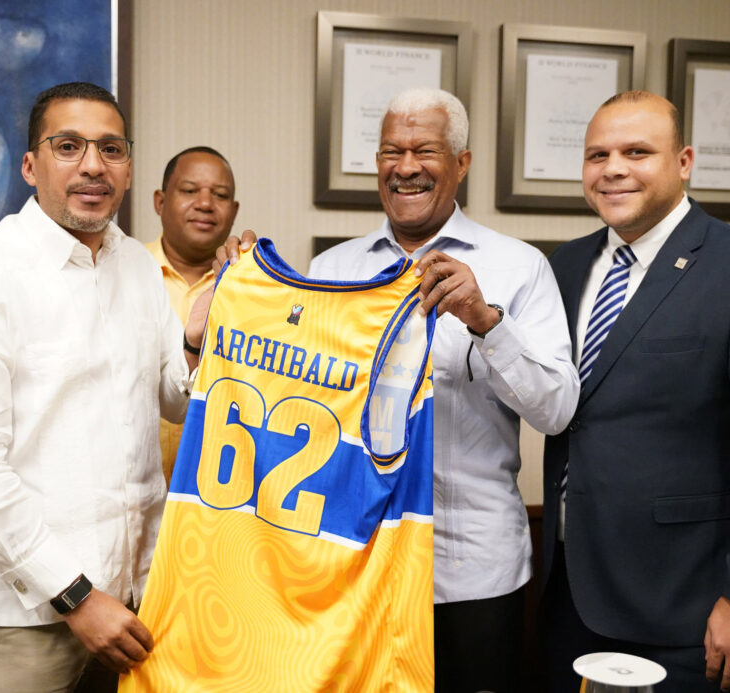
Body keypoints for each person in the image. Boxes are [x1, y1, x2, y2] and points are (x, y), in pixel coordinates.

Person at [220, 87, 580, 693]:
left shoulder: (519, 267)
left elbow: (557, 409)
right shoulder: (331, 270)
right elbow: (288, 398)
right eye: (392, 151)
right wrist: (245, 292)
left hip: (470, 572)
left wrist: (486, 321)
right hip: (350, 562)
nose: (405, 166)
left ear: (462, 163)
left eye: (425, 151)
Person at [0, 82, 210, 693]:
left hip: (132, 602)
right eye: (68, 146)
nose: (93, 165)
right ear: (30, 166)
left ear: (128, 169)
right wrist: (77, 598)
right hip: (21, 622)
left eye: (111, 149)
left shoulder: (136, 267)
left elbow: (172, 399)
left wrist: (196, 341)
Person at [541, 90, 730, 692]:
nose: (613, 169)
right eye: (597, 155)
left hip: (690, 604)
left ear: (685, 161)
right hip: (568, 588)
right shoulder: (563, 267)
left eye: (637, 152)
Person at [146, 146, 239, 482]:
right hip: (134, 498)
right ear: (160, 201)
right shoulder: (125, 274)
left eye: (220, 195)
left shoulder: (253, 290)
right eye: (189, 190)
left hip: (213, 496)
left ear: (234, 211)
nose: (205, 203)